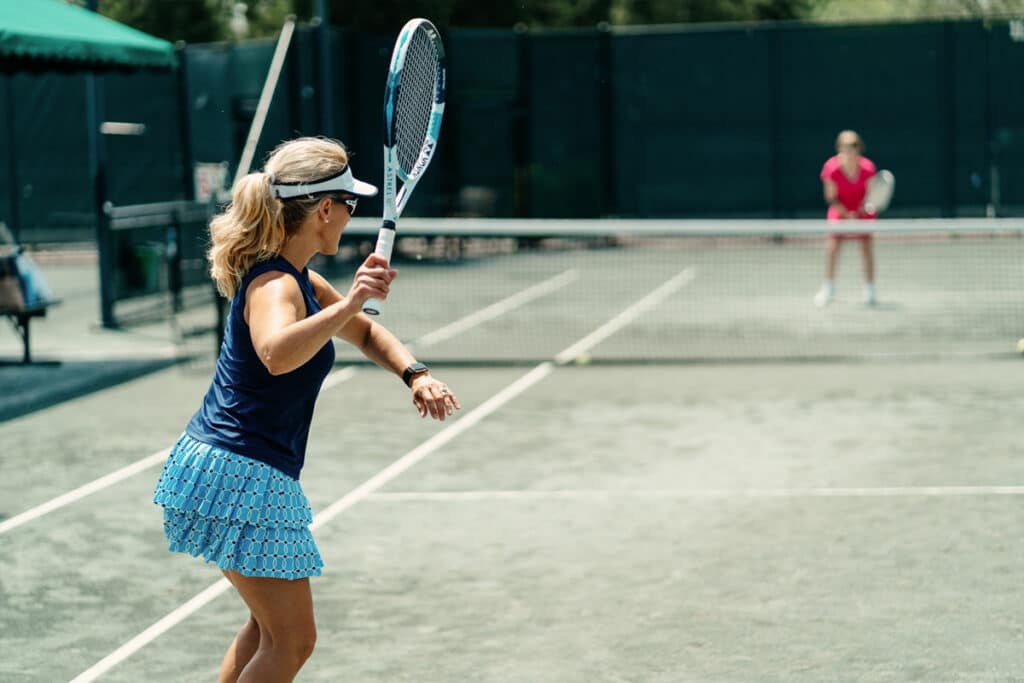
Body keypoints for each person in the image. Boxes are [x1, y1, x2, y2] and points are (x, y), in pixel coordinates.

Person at [152, 136, 460, 682]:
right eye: (350, 204)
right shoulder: (275, 286)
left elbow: (365, 334)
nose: (350, 215)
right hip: (241, 473)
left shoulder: (300, 278)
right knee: (293, 641)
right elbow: (276, 353)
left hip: (228, 466)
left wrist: (416, 374)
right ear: (324, 210)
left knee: (264, 628)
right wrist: (347, 302)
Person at [814, 129, 878, 307]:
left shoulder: (868, 168)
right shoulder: (831, 168)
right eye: (846, 146)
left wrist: (859, 213)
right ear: (839, 148)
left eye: (854, 146)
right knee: (832, 249)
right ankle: (828, 288)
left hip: (863, 214)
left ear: (859, 148)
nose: (850, 150)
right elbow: (831, 197)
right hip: (840, 212)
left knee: (866, 250)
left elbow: (871, 196)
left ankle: (870, 289)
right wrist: (846, 214)